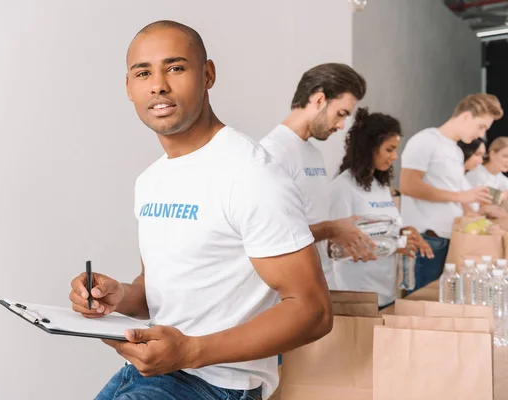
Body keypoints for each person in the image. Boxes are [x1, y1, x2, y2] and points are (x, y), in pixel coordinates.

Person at [68, 20, 332, 400]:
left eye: (175, 68)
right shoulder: (151, 180)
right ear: (129, 87)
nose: (158, 84)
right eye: (143, 73)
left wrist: (190, 351)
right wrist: (120, 295)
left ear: (207, 74)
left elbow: (314, 311)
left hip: (218, 384)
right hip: (145, 374)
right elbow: (158, 290)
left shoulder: (251, 174)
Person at [260, 63, 377, 290]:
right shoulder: (272, 153)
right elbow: (274, 235)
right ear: (319, 100)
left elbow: (310, 222)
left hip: (322, 282)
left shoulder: (313, 153)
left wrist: (338, 238)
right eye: (340, 114)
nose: (342, 125)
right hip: (292, 292)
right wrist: (334, 228)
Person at [328, 108, 433, 308]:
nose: (394, 157)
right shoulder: (342, 187)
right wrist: (397, 244)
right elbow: (338, 247)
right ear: (369, 147)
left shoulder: (380, 185)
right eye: (389, 149)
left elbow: (379, 229)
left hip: (385, 292)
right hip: (356, 294)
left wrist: (404, 232)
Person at [400, 94, 503, 291]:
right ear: (465, 117)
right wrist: (462, 197)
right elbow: (408, 185)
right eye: (480, 126)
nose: (481, 135)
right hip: (426, 241)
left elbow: (451, 192)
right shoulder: (425, 141)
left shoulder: (455, 151)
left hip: (448, 239)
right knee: (421, 307)